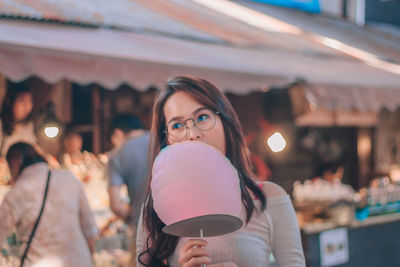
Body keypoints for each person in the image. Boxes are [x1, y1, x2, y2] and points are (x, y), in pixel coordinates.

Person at [137, 76, 305, 267]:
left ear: (226, 123)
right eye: (177, 125)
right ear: (166, 140)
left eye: (202, 117)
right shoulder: (154, 211)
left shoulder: (270, 198)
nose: (193, 134)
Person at [0, 142, 98, 266]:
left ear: (15, 162)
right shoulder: (69, 178)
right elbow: (90, 228)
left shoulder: (16, 193)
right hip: (79, 261)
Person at [107, 114, 150, 265]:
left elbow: (115, 205)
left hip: (143, 230)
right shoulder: (162, 140)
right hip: (175, 226)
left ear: (118, 133)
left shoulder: (116, 156)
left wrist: (131, 216)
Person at [0, 83, 37, 157]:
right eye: (22, 101)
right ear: (9, 101)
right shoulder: (1, 124)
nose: (27, 106)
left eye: (30, 101)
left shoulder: (28, 126)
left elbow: (31, 147)